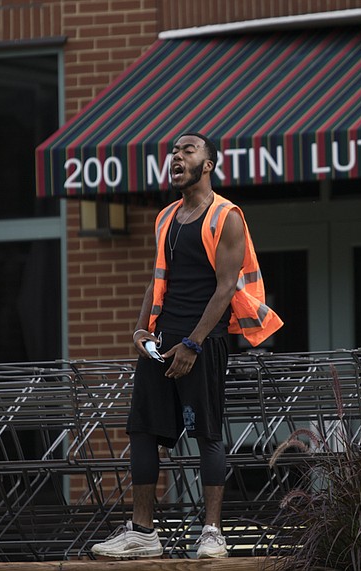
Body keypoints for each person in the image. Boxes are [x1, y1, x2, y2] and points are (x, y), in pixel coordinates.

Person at [91, 133, 282, 559]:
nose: (176, 156)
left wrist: (192, 344)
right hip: (161, 344)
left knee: (207, 434)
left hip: (204, 342)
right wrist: (141, 331)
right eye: (173, 152)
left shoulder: (226, 216)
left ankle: (212, 532)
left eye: (188, 150)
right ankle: (143, 533)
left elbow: (226, 287)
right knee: (142, 430)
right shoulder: (165, 218)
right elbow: (157, 280)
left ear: (208, 164)